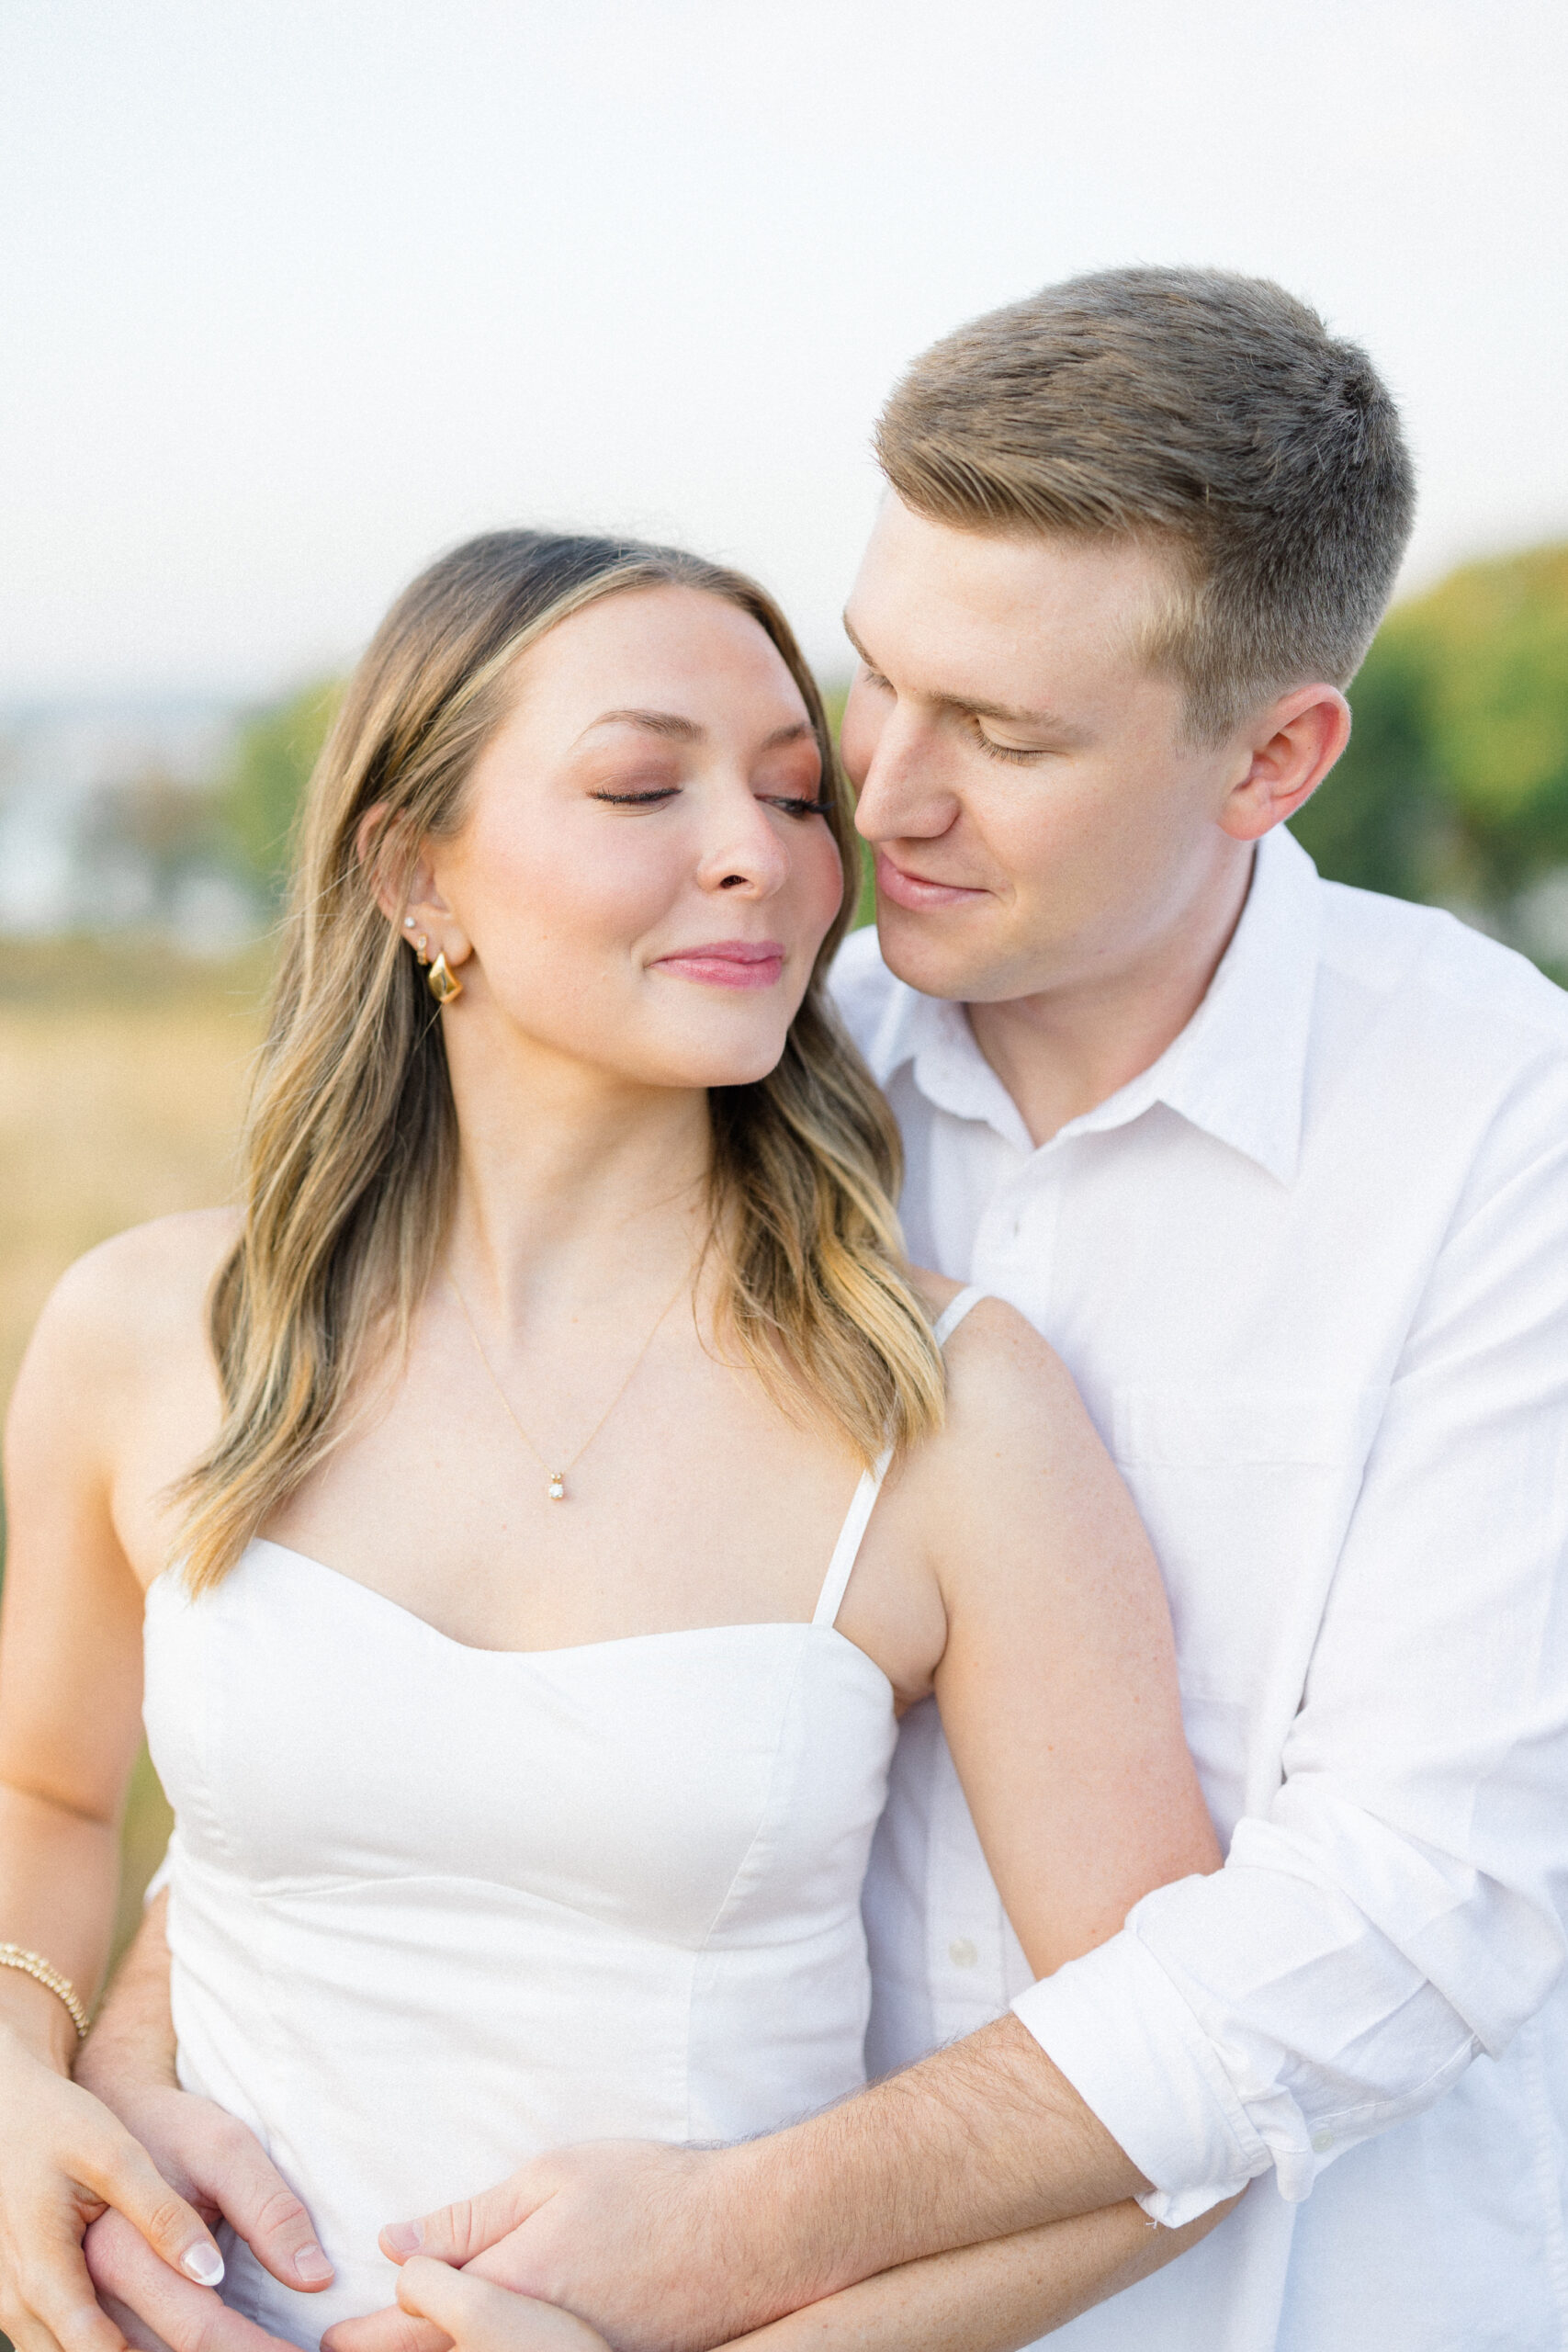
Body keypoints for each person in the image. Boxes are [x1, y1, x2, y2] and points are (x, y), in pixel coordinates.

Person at [115, 266, 1562, 2352]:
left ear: (1273, 757)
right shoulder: (739, 1053)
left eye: (1006, 732)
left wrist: (743, 2242)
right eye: (881, 681)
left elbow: (1416, 1913)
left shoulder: (1501, 1140)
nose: (875, 802)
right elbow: (405, 1719)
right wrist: (83, 2049)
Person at [0, 526, 1230, 2352]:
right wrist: (27, 2073)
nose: (758, 847)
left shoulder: (946, 1404)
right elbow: (51, 1796)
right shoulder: (148, 1331)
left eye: (796, 794)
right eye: (643, 782)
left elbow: (1176, 2091)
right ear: (418, 876)